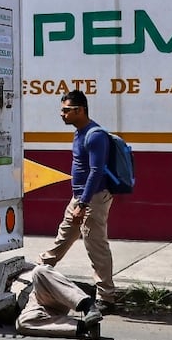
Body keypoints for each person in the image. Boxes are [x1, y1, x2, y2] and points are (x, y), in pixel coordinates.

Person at [37, 89, 118, 313]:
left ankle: (106, 297)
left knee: (96, 247)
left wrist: (83, 204)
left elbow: (96, 171)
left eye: (66, 111)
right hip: (80, 199)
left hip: (92, 200)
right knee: (62, 238)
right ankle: (39, 274)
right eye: (61, 110)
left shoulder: (95, 135)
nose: (61, 114)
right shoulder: (79, 132)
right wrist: (78, 201)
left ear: (80, 110)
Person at [16, 264, 103, 340]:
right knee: (22, 323)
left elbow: (40, 269)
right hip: (32, 306)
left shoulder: (17, 266)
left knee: (39, 270)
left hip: (43, 290)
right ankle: (84, 327)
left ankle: (88, 306)